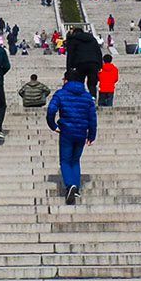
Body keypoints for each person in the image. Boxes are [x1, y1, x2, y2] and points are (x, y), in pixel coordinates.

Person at [47, 69, 97, 205]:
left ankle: (70, 185)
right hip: (81, 132)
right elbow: (93, 117)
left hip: (66, 131)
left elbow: (51, 110)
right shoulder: (87, 96)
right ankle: (76, 187)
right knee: (75, 160)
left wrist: (53, 126)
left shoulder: (61, 94)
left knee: (65, 161)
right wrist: (92, 135)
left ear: (66, 80)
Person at [64, 27, 103, 97]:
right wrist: (100, 65)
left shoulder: (74, 40)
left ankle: (80, 98)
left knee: (79, 82)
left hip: (80, 63)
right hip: (93, 63)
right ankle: (93, 98)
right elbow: (98, 52)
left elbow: (71, 54)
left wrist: (69, 68)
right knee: (92, 84)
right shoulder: (92, 39)